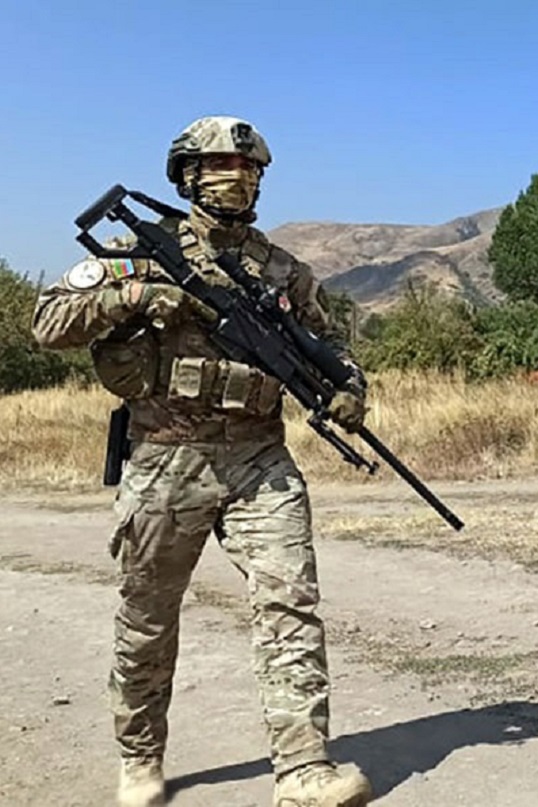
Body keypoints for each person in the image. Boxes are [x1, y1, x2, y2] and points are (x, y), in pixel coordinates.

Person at [31, 116, 373, 806]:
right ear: (186, 176)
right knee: (148, 616)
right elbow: (46, 322)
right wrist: (133, 294)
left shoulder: (283, 270)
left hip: (259, 458)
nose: (235, 176)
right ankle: (139, 755)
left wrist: (350, 390)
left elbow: (328, 350)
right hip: (165, 458)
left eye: (247, 167)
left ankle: (304, 768)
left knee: (290, 603)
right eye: (218, 164)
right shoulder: (141, 253)